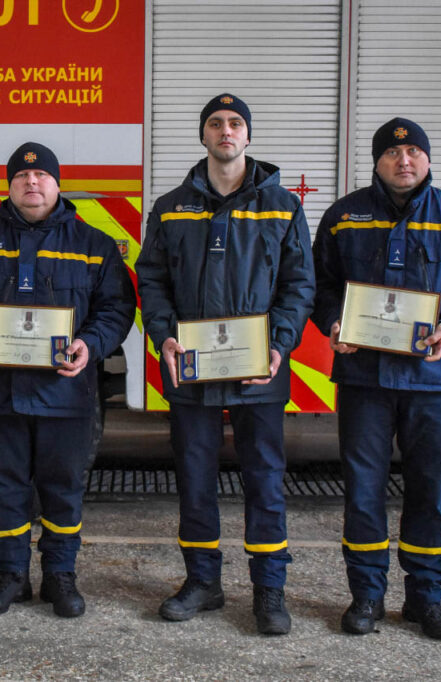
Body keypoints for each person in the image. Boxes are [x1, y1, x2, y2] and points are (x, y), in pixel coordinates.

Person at [311, 118, 441, 640]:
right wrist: (334, 321)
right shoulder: (343, 216)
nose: (405, 161)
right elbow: (320, 285)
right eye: (394, 153)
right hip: (364, 382)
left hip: (432, 381)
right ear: (377, 160)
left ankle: (425, 598)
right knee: (363, 491)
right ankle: (367, 597)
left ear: (426, 158)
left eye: (414, 151)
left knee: (428, 490)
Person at [0, 142, 135, 618]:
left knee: (62, 486)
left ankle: (60, 576)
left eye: (41, 175)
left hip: (66, 394)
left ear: (57, 183)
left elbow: (117, 308)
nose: (32, 182)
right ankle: (9, 575)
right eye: (22, 176)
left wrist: (91, 344)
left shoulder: (94, 246)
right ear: (9, 186)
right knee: (3, 488)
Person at [135, 94, 315, 635]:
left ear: (248, 136)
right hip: (191, 372)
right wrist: (164, 337)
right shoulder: (170, 207)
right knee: (194, 479)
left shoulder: (283, 206)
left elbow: (298, 286)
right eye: (215, 123)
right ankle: (203, 583)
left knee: (264, 480)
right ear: (204, 136)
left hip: (260, 372)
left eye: (236, 123)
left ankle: (269, 590)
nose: (226, 131)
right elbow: (152, 281)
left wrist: (279, 344)